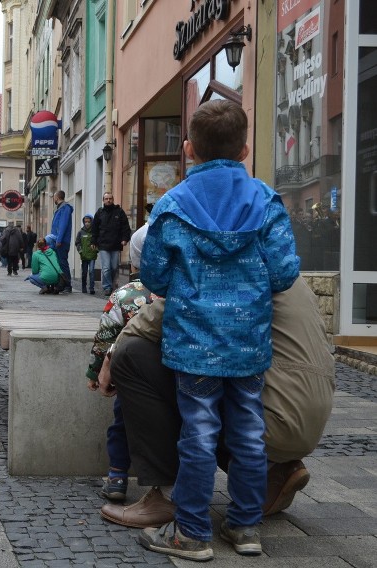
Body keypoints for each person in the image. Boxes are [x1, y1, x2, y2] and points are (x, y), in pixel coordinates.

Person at [137, 99, 300, 561]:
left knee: (199, 432)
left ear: (189, 149)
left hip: (193, 343)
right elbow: (285, 272)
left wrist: (190, 291)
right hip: (248, 341)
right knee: (249, 430)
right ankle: (245, 527)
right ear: (245, 149)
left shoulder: (172, 205)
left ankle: (191, 532)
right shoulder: (265, 201)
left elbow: (153, 275)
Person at [98, 275, 334, 527]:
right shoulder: (289, 273)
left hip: (266, 417)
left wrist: (112, 353)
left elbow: (169, 310)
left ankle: (169, 497)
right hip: (311, 413)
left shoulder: (232, 259)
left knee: (134, 355)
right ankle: (272, 473)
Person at [85, 224, 157, 503]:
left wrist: (94, 372)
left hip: (132, 379)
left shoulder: (125, 296)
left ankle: (117, 477)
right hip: (172, 375)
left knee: (122, 424)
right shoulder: (179, 290)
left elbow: (104, 336)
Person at [91, 192, 131, 296]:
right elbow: (94, 229)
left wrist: (125, 239)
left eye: (110, 198)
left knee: (114, 267)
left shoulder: (119, 212)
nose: (108, 200)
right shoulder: (100, 213)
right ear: (103, 200)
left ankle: (113, 285)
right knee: (106, 268)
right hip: (103, 245)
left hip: (116, 244)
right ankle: (107, 287)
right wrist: (93, 241)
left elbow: (125, 227)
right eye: (106, 199)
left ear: (113, 200)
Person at [50, 191, 73, 292]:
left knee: (63, 263)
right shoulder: (60, 208)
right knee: (59, 263)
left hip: (61, 241)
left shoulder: (65, 208)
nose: (53, 199)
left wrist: (59, 240)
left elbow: (62, 225)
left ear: (57, 197)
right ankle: (62, 284)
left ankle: (68, 285)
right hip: (57, 240)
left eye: (54, 197)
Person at [75, 214, 98, 294]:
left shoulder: (94, 232)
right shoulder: (81, 232)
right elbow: (77, 243)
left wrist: (96, 249)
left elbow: (98, 242)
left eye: (88, 221)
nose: (87, 223)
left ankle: (91, 288)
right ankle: (83, 287)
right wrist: (80, 251)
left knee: (91, 271)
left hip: (92, 255)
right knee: (84, 272)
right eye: (85, 222)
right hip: (84, 256)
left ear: (91, 222)